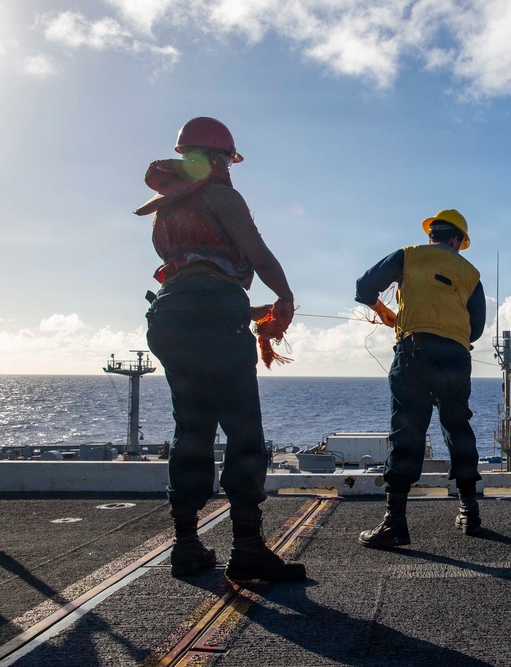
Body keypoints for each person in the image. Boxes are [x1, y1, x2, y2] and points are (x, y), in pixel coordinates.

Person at [138, 117, 306, 583]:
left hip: (171, 319)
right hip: (213, 321)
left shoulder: (165, 208)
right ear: (219, 159)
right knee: (244, 432)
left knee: (191, 428)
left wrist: (250, 313)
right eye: (228, 159)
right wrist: (285, 298)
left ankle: (186, 545)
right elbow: (256, 254)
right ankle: (248, 548)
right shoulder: (221, 195)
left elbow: (196, 280)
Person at [355, 209, 486, 547]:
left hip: (414, 351)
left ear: (432, 234)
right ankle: (469, 512)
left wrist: (384, 311)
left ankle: (395, 523)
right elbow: (478, 327)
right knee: (458, 428)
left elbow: (364, 286)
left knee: (408, 430)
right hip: (456, 357)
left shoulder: (408, 256)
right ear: (457, 240)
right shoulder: (471, 273)